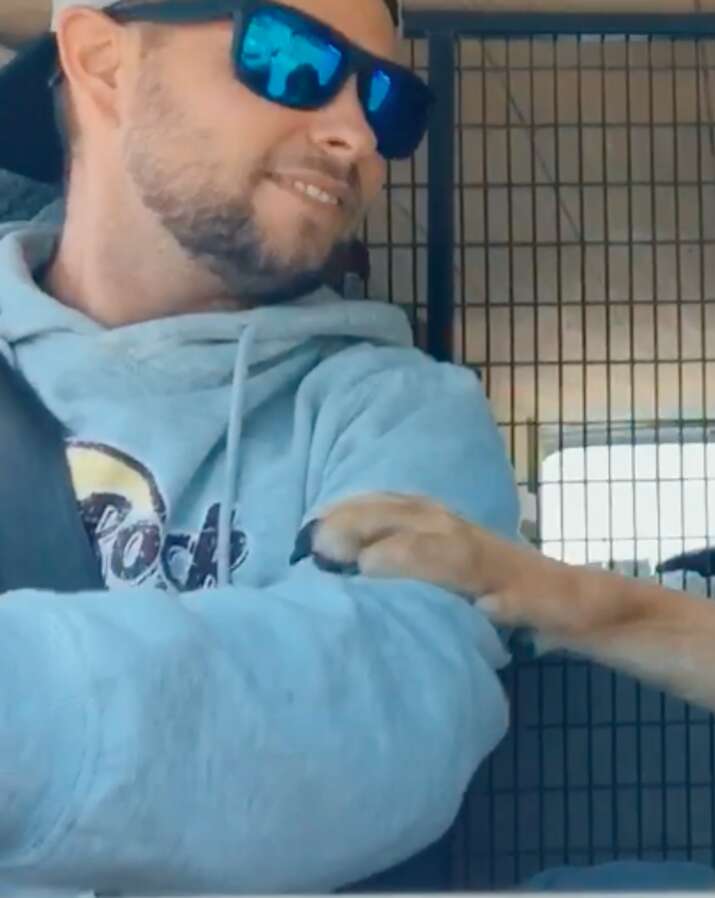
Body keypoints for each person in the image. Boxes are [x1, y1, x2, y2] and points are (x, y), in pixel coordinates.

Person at [0, 0, 522, 893]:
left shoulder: (402, 413)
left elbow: (396, 696)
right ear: (102, 62)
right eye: (291, 57)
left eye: (390, 102)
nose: (358, 132)